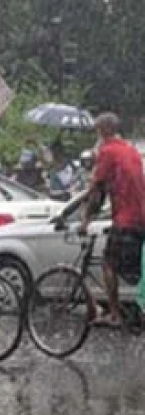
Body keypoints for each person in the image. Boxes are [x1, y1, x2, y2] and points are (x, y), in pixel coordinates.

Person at [79, 112, 145, 328]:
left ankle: (115, 313)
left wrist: (85, 220)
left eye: (97, 132)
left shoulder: (108, 152)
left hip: (126, 219)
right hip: (140, 217)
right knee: (133, 268)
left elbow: (97, 191)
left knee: (109, 264)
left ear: (103, 131)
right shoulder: (131, 150)